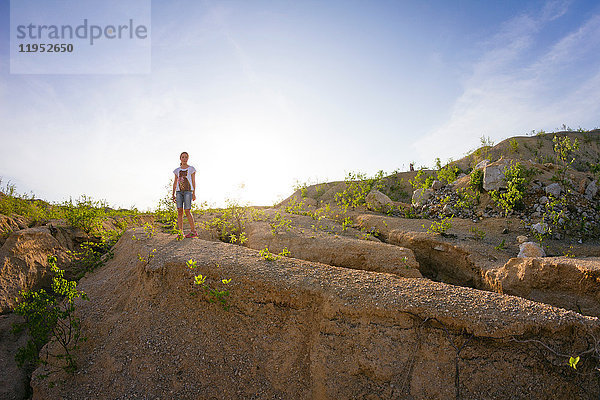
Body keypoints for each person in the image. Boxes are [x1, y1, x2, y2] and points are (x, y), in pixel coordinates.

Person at [172, 151, 198, 238]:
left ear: (188, 158)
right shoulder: (177, 170)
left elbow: (193, 182)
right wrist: (173, 194)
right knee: (180, 211)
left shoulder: (191, 169)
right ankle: (180, 232)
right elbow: (175, 182)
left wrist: (194, 193)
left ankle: (193, 231)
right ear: (180, 158)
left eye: (186, 157)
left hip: (188, 191)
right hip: (179, 192)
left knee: (187, 210)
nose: (184, 159)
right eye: (182, 157)